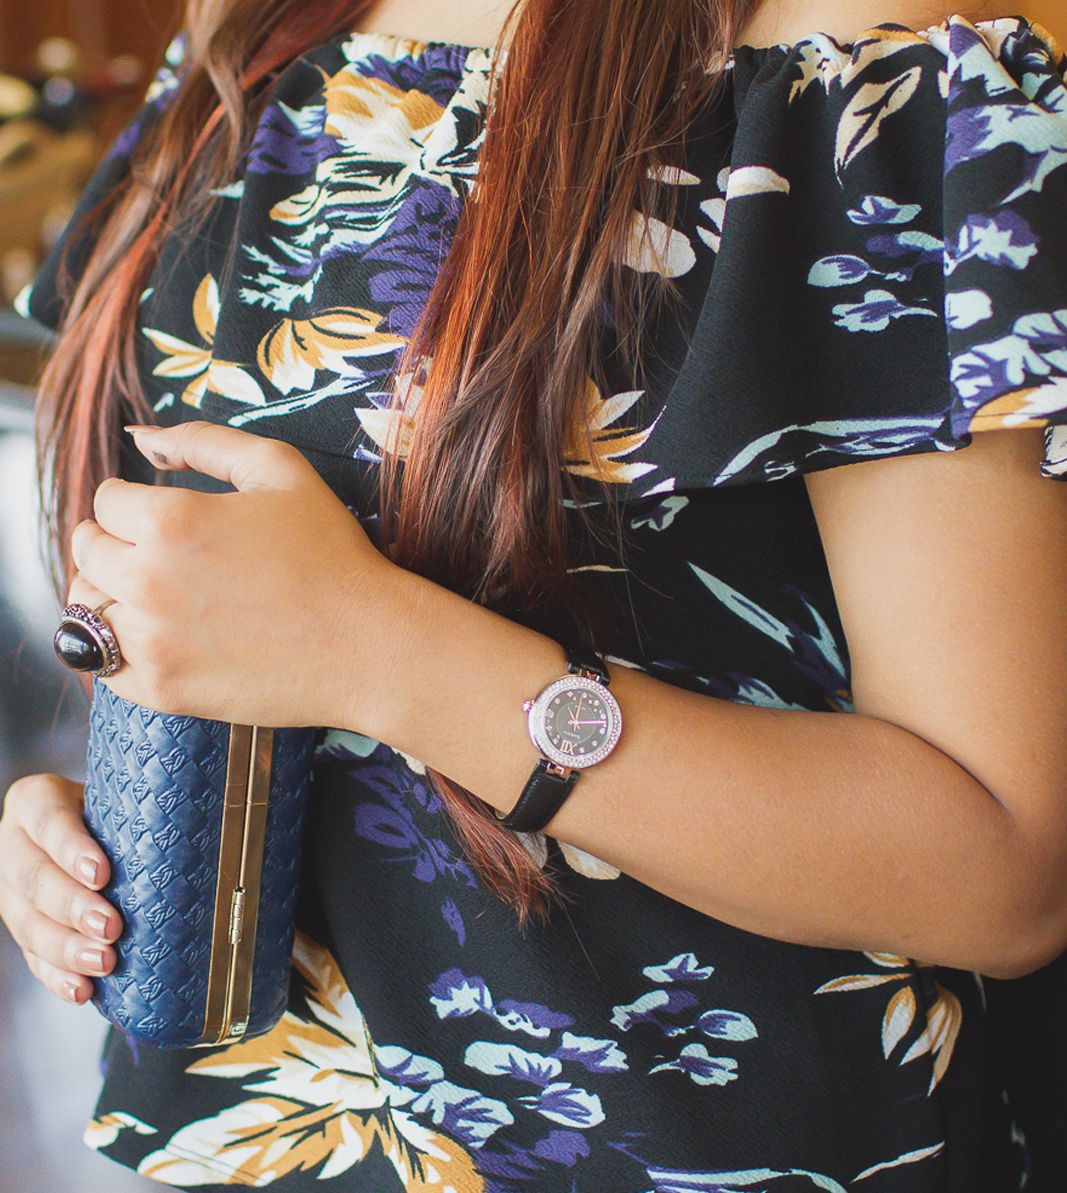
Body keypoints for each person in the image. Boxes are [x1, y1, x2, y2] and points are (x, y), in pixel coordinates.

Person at [1, 0, 1066, 1186]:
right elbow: (214, 587)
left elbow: (1004, 867)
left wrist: (380, 653)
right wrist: (84, 833)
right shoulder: (255, 32)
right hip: (277, 1140)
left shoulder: (858, 58)